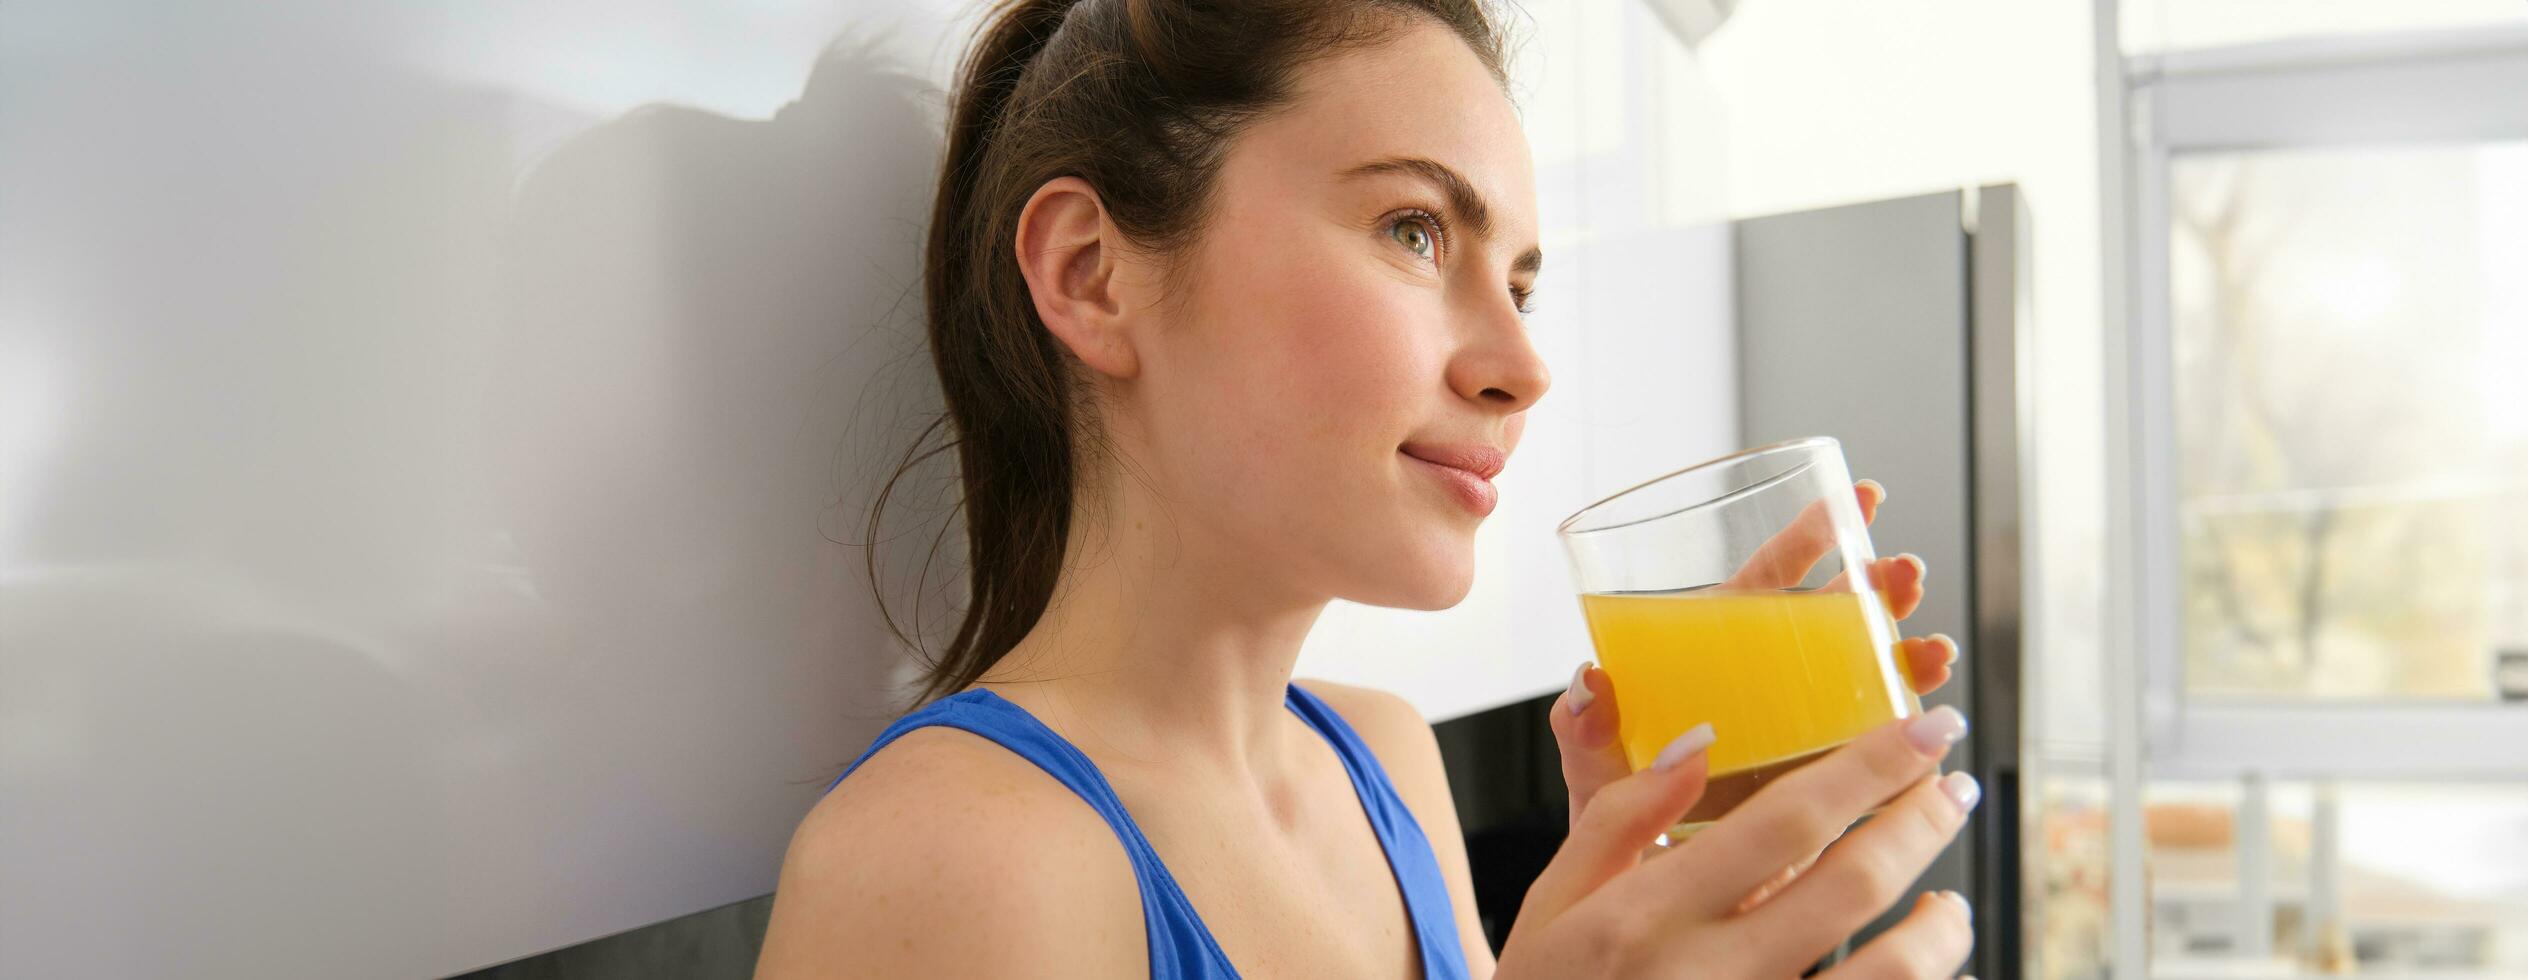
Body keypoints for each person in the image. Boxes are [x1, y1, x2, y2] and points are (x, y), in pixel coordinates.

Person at [753, 0, 1979, 975]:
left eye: (1523, 283)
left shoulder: (1382, 759)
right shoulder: (950, 863)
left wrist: (1670, 912)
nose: (1522, 366)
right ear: (1090, 275)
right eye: (1413, 230)